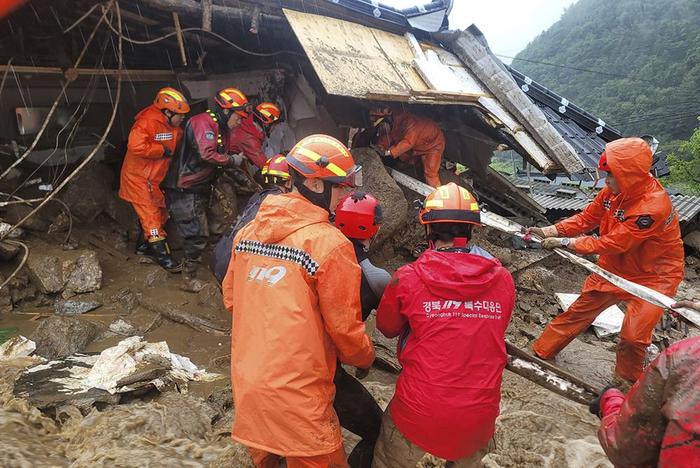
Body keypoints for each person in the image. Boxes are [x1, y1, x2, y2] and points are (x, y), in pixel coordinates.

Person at [222, 134, 374, 468]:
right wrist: (365, 356)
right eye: (342, 186)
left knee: (265, 458)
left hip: (249, 383)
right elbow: (344, 330)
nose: (347, 195)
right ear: (314, 184)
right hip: (299, 393)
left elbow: (232, 300)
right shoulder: (330, 245)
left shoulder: (247, 235)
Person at [373, 182, 515, 467]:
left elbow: (387, 328)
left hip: (418, 409)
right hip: (478, 416)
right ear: (473, 230)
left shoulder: (408, 277)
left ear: (428, 229)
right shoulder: (503, 280)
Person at [529, 137, 685, 384]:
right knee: (577, 313)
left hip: (654, 278)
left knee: (633, 337)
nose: (606, 180)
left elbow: (613, 243)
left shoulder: (652, 207)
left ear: (628, 174)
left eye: (611, 175)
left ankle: (625, 384)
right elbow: (586, 219)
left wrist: (568, 243)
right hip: (614, 267)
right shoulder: (613, 191)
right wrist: (553, 231)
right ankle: (539, 353)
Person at [163, 87, 249, 292]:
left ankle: (216, 268)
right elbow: (206, 154)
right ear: (227, 111)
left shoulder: (220, 127)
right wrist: (232, 160)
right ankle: (188, 277)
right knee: (196, 233)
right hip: (185, 187)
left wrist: (242, 179)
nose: (240, 122)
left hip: (201, 185)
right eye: (239, 117)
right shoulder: (203, 123)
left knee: (218, 227)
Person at [333, 192, 389, 468]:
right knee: (378, 431)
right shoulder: (376, 277)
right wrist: (366, 359)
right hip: (326, 370)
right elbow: (392, 326)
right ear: (374, 229)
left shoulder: (308, 253)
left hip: (279, 361)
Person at [588, 334, 700, 467]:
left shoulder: (685, 354)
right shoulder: (685, 357)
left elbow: (629, 448)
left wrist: (611, 401)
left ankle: (618, 391)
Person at [119, 87, 190, 272]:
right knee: (152, 218)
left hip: (153, 180)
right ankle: (164, 259)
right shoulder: (147, 122)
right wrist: (161, 150)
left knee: (162, 213)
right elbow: (135, 145)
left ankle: (143, 247)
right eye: (179, 114)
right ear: (167, 112)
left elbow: (177, 145)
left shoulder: (174, 128)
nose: (182, 118)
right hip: (138, 179)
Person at [210, 155, 292, 283]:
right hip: (233, 265)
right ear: (288, 182)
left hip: (219, 256)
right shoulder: (279, 204)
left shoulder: (257, 197)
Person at [370, 106, 444, 188]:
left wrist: (389, 152)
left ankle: (438, 195)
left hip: (432, 145)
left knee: (430, 174)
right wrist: (380, 147)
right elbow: (390, 136)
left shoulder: (409, 122)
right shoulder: (396, 123)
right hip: (417, 144)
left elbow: (408, 142)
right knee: (404, 160)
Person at [229, 101, 282, 171]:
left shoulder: (246, 123)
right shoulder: (249, 139)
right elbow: (265, 167)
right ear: (266, 124)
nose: (274, 129)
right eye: (274, 125)